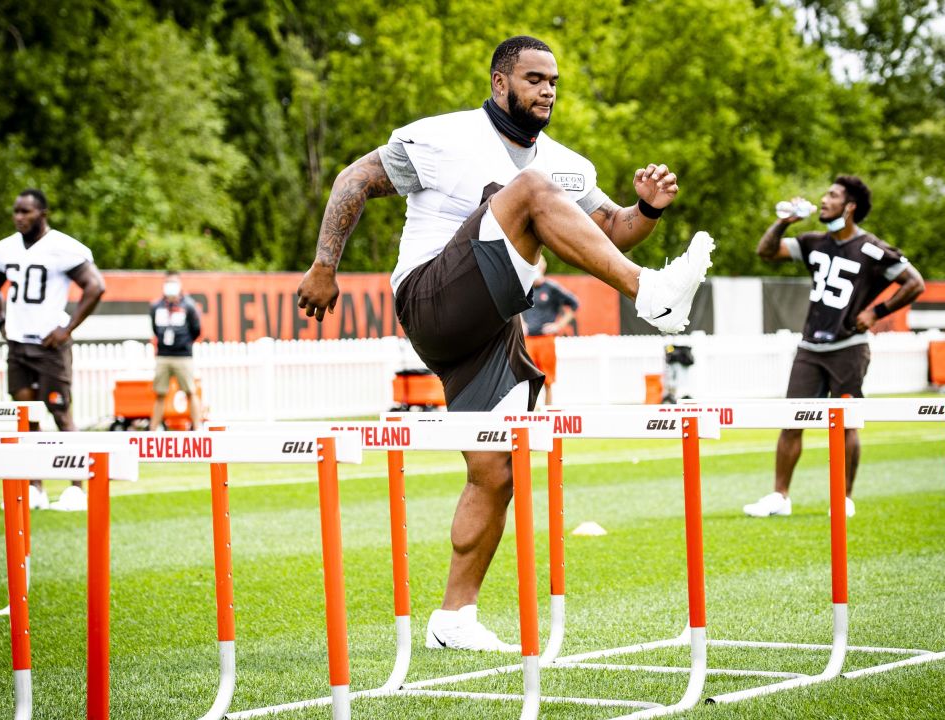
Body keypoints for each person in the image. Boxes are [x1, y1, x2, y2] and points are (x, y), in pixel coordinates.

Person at [295, 36, 715, 651]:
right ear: (499, 83)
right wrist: (324, 265)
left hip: (490, 327)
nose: (547, 90)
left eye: (554, 82)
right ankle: (652, 297)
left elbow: (609, 235)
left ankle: (454, 619)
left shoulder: (568, 165)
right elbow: (353, 179)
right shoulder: (443, 138)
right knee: (529, 190)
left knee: (496, 469)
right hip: (431, 298)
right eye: (534, 79)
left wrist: (646, 210)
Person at [744, 176, 925, 519]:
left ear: (850, 206)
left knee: (846, 423)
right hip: (811, 346)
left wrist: (877, 312)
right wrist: (784, 222)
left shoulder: (871, 248)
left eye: (832, 195)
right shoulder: (814, 242)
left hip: (849, 346)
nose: (823, 200)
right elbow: (766, 252)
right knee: (791, 420)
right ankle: (780, 496)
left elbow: (915, 283)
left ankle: (843, 498)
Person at [0, 189, 106, 511]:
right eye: (16, 211)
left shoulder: (63, 248)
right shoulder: (5, 249)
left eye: (26, 212)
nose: (19, 217)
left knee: (60, 413)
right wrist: (1, 321)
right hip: (18, 342)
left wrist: (67, 329)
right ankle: (34, 487)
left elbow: (95, 286)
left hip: (49, 346)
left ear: (43, 213)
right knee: (27, 417)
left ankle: (76, 487)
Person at [521, 256, 579, 406]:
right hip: (528, 340)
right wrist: (522, 323)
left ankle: (548, 412)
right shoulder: (525, 287)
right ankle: (531, 413)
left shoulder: (552, 288)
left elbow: (574, 304)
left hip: (545, 339)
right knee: (529, 381)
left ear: (542, 268)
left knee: (548, 380)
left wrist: (558, 325)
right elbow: (514, 308)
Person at [149, 271, 202, 430]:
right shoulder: (156, 306)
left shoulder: (189, 305)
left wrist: (183, 343)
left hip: (183, 356)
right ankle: (153, 430)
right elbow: (154, 329)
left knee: (190, 391)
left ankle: (198, 428)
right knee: (160, 393)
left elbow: (196, 330)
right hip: (163, 355)